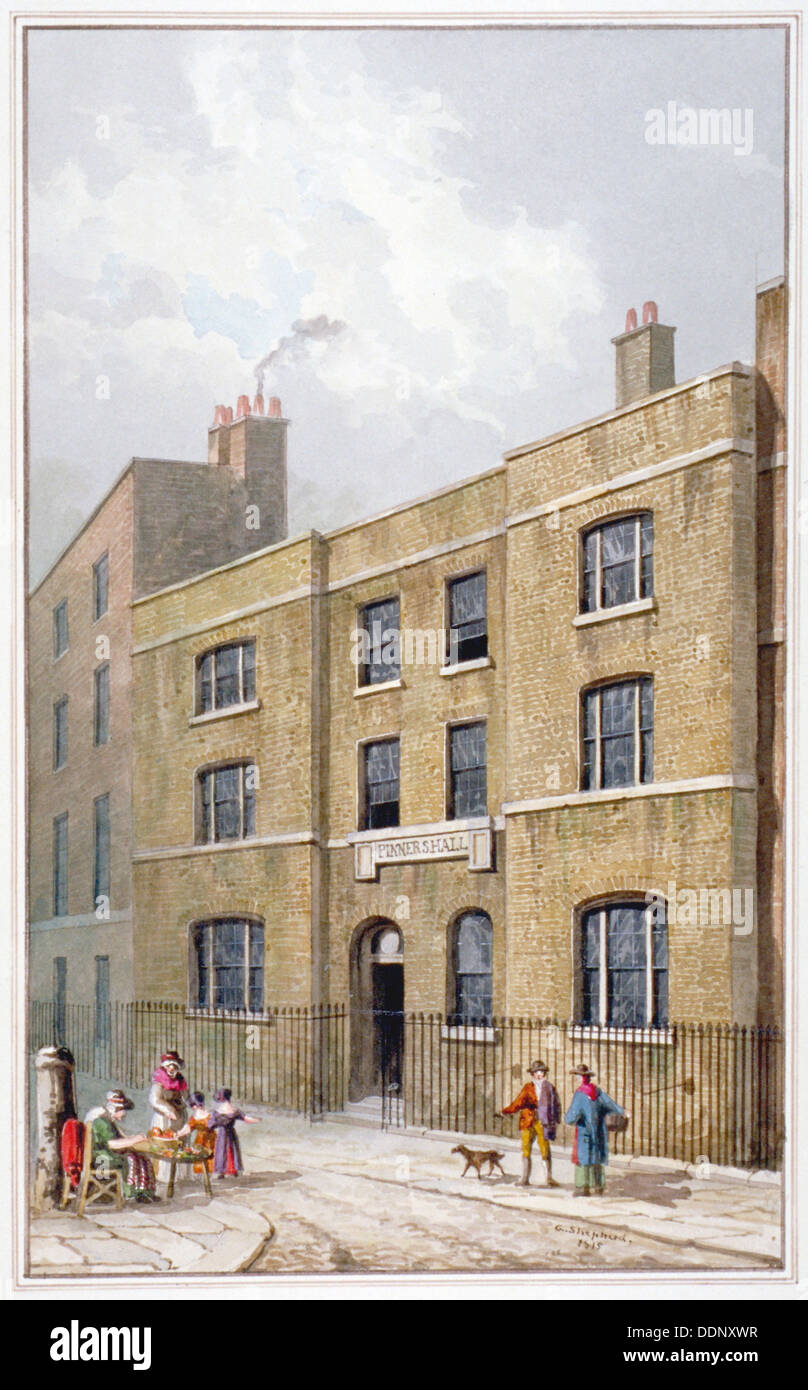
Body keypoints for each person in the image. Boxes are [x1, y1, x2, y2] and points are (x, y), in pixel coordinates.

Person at [564, 1063, 629, 1196]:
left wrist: (567, 1119)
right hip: (599, 1132)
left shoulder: (580, 1095)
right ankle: (599, 1186)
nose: (576, 1077)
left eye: (577, 1075)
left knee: (582, 1159)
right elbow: (611, 1105)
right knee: (597, 1158)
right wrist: (623, 1111)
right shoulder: (598, 1092)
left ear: (581, 1077)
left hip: (584, 1131)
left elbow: (572, 1116)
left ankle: (583, 1188)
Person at [499, 1060, 562, 1187]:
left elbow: (556, 1104)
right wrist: (505, 1111)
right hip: (528, 1121)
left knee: (544, 1148)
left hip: (543, 1121)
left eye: (542, 1072)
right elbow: (518, 1103)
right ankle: (525, 1178)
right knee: (526, 1148)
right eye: (536, 1072)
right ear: (532, 1074)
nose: (539, 1075)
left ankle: (548, 1178)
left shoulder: (549, 1087)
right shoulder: (528, 1088)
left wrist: (556, 1119)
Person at [89, 1089, 157, 1201]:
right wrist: (134, 1140)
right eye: (123, 1110)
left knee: (142, 1157)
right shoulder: (101, 1121)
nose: (124, 1114)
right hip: (101, 1157)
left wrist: (132, 1138)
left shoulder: (109, 1121)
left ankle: (145, 1193)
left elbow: (119, 1138)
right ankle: (131, 1193)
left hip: (108, 1154)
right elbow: (112, 1144)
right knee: (131, 1159)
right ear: (115, 1109)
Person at [149, 1050, 189, 1183]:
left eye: (175, 1067)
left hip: (179, 1116)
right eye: (169, 1066)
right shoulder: (159, 1079)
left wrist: (189, 1104)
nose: (172, 1069)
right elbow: (154, 1099)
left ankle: (179, 1176)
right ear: (164, 1067)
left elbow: (186, 1097)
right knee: (164, 1144)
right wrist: (168, 1110)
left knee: (180, 1143)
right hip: (164, 1118)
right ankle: (162, 1176)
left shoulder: (180, 1080)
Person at [208, 1088, 259, 1179]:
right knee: (232, 1149)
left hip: (222, 1134)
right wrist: (257, 1120)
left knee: (222, 1151)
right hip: (231, 1133)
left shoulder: (217, 1112)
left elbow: (210, 1125)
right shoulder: (235, 1110)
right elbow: (246, 1118)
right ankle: (232, 1170)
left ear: (220, 1099)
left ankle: (222, 1171)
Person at [177, 1092, 216, 1175]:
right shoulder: (194, 1117)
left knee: (211, 1159)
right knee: (199, 1158)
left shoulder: (210, 1115)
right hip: (200, 1140)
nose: (193, 1107)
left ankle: (209, 1177)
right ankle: (202, 1178)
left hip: (211, 1140)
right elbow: (188, 1127)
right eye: (192, 1105)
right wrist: (179, 1133)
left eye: (194, 1104)